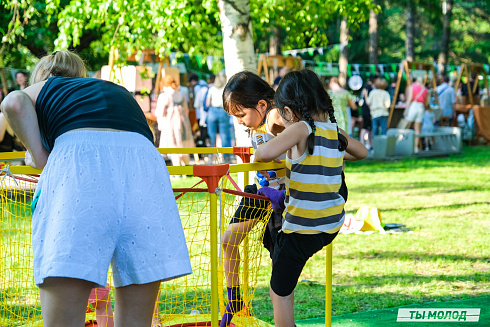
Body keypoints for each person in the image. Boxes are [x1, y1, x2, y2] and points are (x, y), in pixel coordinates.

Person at [0, 50, 192, 327]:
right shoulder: (112, 89)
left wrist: (39, 155)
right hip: (145, 167)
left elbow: (14, 104)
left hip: (82, 170)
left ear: (41, 75)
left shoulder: (49, 86)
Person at [254, 69, 367, 327]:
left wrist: (280, 137)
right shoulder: (332, 132)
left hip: (303, 228)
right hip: (330, 225)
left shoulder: (301, 128)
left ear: (290, 113)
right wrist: (333, 150)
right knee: (284, 271)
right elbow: (362, 152)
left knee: (279, 292)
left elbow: (263, 153)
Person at [221, 71, 286, 327]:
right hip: (259, 191)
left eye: (240, 114)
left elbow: (301, 137)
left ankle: (283, 315)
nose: (239, 121)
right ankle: (235, 298)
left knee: (278, 260)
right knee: (228, 241)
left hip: (280, 196)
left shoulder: (274, 115)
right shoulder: (259, 122)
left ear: (260, 104)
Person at [155, 75, 195, 166]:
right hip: (183, 123)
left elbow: (160, 112)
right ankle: (185, 168)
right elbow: (186, 110)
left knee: (173, 145)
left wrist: (160, 123)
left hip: (170, 124)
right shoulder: (180, 94)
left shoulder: (164, 95)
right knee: (183, 145)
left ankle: (177, 170)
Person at [206, 71, 233, 162]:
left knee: (212, 135)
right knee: (224, 135)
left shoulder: (212, 88)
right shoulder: (226, 89)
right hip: (223, 111)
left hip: (212, 111)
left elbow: (207, 103)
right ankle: (226, 157)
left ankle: (211, 156)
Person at [404, 77, 429, 152]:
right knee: (417, 129)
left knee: (406, 125)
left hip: (414, 106)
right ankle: (415, 147)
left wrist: (406, 109)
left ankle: (403, 144)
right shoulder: (425, 89)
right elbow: (427, 102)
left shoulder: (412, 87)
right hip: (421, 107)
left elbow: (409, 99)